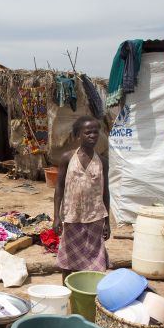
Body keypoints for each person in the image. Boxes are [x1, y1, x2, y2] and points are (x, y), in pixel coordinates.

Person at [53, 116, 110, 280]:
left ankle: (88, 289)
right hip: (72, 216)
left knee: (94, 258)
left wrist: (107, 222)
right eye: (88, 132)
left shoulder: (102, 162)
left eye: (95, 132)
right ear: (78, 135)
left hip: (95, 217)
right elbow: (59, 188)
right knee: (68, 260)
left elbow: (105, 191)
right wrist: (56, 217)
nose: (93, 135)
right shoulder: (67, 158)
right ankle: (67, 290)